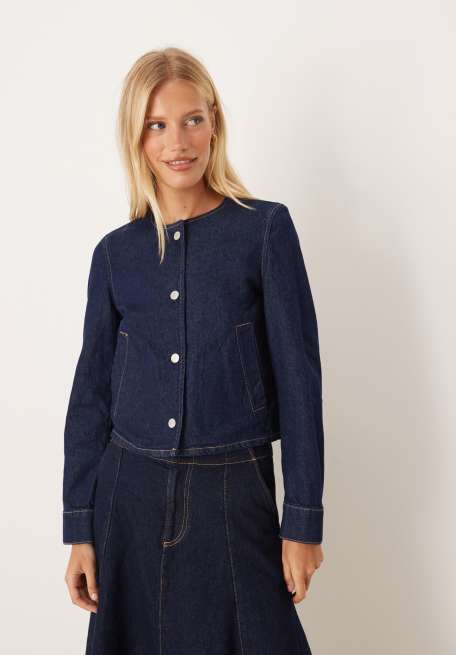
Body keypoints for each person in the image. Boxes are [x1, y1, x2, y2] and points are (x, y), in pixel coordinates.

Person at [62, 46, 325, 654]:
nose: (176, 142)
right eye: (156, 125)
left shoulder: (263, 230)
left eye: (191, 120)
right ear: (136, 138)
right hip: (128, 495)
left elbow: (300, 381)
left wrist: (303, 521)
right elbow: (91, 396)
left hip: (234, 493)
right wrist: (80, 528)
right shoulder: (115, 254)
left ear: (214, 124)